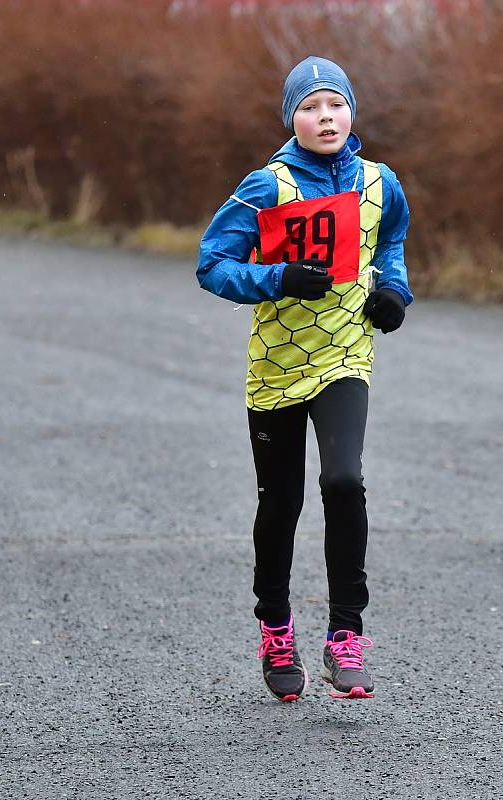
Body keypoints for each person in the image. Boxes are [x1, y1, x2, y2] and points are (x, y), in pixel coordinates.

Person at [197, 55, 413, 701]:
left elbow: (391, 242)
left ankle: (345, 638)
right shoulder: (266, 186)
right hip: (277, 363)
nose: (326, 117)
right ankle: (276, 629)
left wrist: (394, 294)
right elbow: (212, 264)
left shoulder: (379, 182)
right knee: (281, 502)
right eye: (311, 107)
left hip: (345, 356)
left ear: (352, 112)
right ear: (292, 117)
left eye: (336, 105)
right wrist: (275, 278)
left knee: (343, 480)